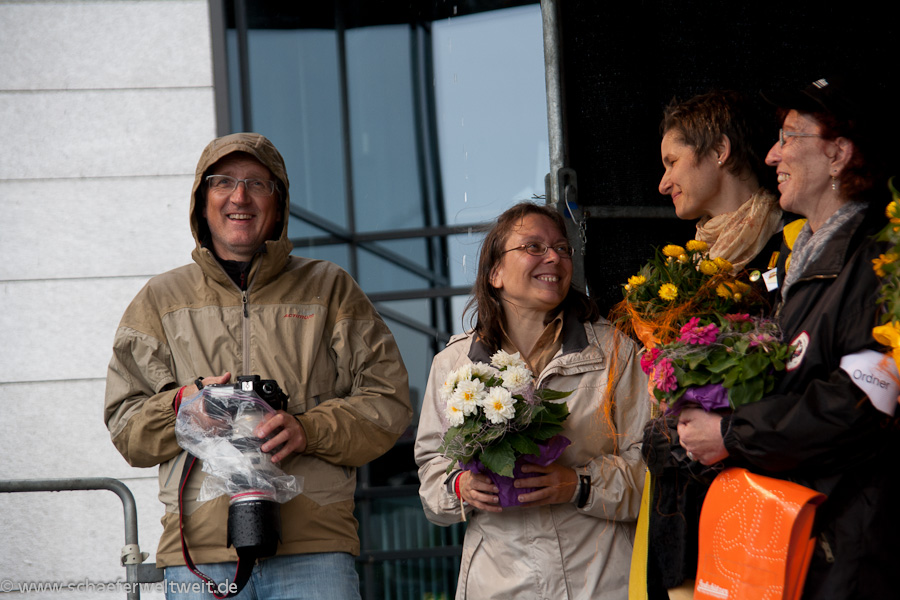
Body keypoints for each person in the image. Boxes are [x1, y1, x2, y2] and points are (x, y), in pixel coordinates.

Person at [104, 132, 412, 599]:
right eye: (222, 181)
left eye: (257, 183)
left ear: (279, 202)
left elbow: (389, 402)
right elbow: (125, 426)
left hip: (314, 551)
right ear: (201, 200)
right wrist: (184, 407)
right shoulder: (160, 299)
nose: (239, 196)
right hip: (198, 558)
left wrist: (309, 429)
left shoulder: (329, 288)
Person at [677, 76, 900, 599]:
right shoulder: (800, 262)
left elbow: (863, 402)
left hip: (852, 553)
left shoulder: (883, 260)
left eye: (788, 137)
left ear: (839, 154)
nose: (772, 155)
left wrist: (730, 433)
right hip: (800, 544)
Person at [415, 202, 649, 599]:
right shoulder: (453, 364)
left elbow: (651, 468)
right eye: (534, 247)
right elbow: (432, 474)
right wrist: (461, 487)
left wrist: (579, 484)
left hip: (602, 580)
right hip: (499, 584)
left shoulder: (616, 352)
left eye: (562, 248)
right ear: (495, 273)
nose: (554, 257)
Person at [638, 90, 785, 599]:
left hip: (762, 508)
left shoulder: (792, 246)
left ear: (719, 151)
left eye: (671, 161)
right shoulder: (685, 268)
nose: (663, 183)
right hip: (686, 516)